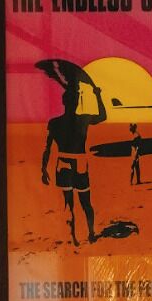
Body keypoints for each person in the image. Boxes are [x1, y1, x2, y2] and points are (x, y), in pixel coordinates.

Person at [39, 76, 108, 246]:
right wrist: (97, 95)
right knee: (86, 203)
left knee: (69, 204)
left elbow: (48, 148)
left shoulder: (54, 123)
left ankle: (74, 237)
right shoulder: (83, 119)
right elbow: (102, 116)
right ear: (77, 102)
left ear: (64, 102)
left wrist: (43, 169)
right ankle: (91, 233)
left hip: (63, 164)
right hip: (80, 164)